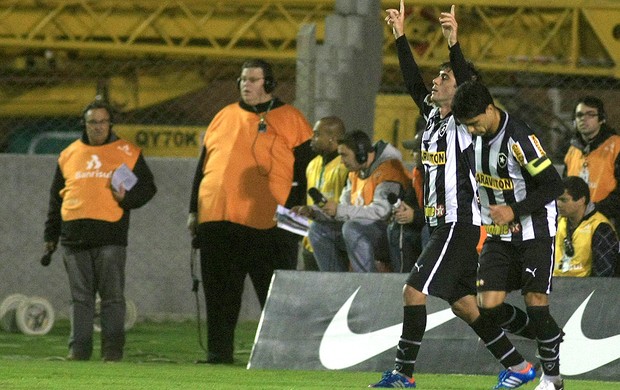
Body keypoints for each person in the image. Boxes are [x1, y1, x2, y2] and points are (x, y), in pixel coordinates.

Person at [371, 3, 535, 389]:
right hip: (439, 222)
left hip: (459, 223)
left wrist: (454, 44)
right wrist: (399, 36)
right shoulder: (432, 118)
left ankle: (403, 374)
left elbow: (470, 83)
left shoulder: (466, 122)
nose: (435, 80)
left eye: (444, 76)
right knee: (466, 305)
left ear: (461, 89)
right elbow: (412, 80)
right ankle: (520, 365)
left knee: (413, 291)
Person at [187, 58, 313, 364]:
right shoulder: (223, 116)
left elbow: (306, 171)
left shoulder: (292, 119)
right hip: (217, 219)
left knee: (273, 296)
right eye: (243, 79)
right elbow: (203, 166)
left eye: (253, 79)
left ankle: (282, 357)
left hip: (269, 223)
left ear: (269, 84)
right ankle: (219, 354)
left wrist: (296, 216)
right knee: (219, 294)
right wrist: (194, 210)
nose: (246, 84)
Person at [452, 80, 565, 390]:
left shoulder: (520, 139)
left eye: (475, 123)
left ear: (490, 109)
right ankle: (549, 334)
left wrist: (514, 210)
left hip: (534, 231)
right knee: (487, 305)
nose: (472, 130)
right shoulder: (474, 133)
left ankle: (552, 379)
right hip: (499, 234)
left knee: (535, 299)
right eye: (467, 126)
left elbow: (554, 185)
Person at [43, 98, 157, 361]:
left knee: (112, 298)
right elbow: (55, 199)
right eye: (92, 122)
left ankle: (112, 354)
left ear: (110, 123)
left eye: (103, 122)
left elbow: (148, 189)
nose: (98, 127)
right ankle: (79, 353)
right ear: (84, 124)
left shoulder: (128, 151)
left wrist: (125, 200)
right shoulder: (68, 154)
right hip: (73, 237)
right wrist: (50, 235)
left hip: (110, 237)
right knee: (80, 300)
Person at [307, 130, 411, 273]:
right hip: (362, 231)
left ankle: (364, 284)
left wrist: (340, 210)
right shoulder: (354, 173)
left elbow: (380, 212)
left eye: (344, 155)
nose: (342, 161)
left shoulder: (389, 170)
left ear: (362, 155)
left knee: (351, 228)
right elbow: (344, 209)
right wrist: (315, 212)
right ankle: (338, 284)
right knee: (317, 230)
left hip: (389, 235)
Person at [291, 116, 349, 271]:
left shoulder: (345, 166)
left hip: (333, 241)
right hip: (309, 242)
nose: (312, 138)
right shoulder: (312, 164)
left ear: (332, 138)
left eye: (317, 134)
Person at [564, 96, 620, 231]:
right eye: (579, 115)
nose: (584, 118)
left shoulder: (616, 146)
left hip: (608, 221)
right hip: (577, 222)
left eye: (591, 115)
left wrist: (594, 209)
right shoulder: (572, 150)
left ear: (601, 119)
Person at [554, 176, 619, 277]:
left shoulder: (600, 227)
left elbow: (603, 275)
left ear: (581, 200)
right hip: (555, 286)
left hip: (585, 289)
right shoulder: (557, 223)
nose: (558, 204)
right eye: (557, 199)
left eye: (563, 200)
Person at [387, 131, 425, 273]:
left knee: (428, 232)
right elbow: (410, 199)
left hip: (443, 227)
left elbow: (446, 211)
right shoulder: (418, 173)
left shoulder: (445, 175)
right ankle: (402, 278)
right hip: (423, 221)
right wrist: (402, 209)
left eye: (416, 150)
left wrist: (415, 216)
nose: (411, 154)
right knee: (395, 228)